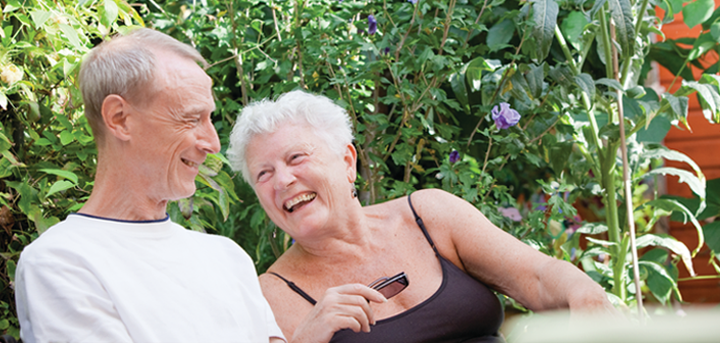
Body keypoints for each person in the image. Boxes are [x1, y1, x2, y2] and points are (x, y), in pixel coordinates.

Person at [227, 90, 617, 343]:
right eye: (263, 173)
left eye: (296, 158)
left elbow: (538, 276)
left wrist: (584, 294)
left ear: (347, 162)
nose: (282, 180)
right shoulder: (272, 294)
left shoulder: (428, 214)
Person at [14, 28, 285, 343]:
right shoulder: (61, 263)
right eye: (191, 118)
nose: (212, 142)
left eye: (209, 118)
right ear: (120, 118)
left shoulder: (228, 257)